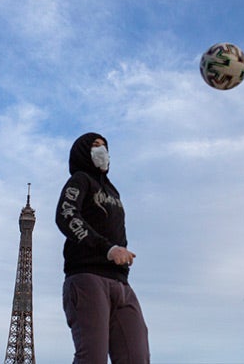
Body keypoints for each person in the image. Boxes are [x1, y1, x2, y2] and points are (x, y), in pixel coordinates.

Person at [55, 132, 150, 364]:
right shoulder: (80, 180)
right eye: (95, 146)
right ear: (82, 152)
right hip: (87, 277)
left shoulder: (113, 192)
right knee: (93, 358)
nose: (102, 150)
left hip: (120, 282)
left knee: (137, 357)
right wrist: (107, 249)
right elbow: (66, 215)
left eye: (105, 146)